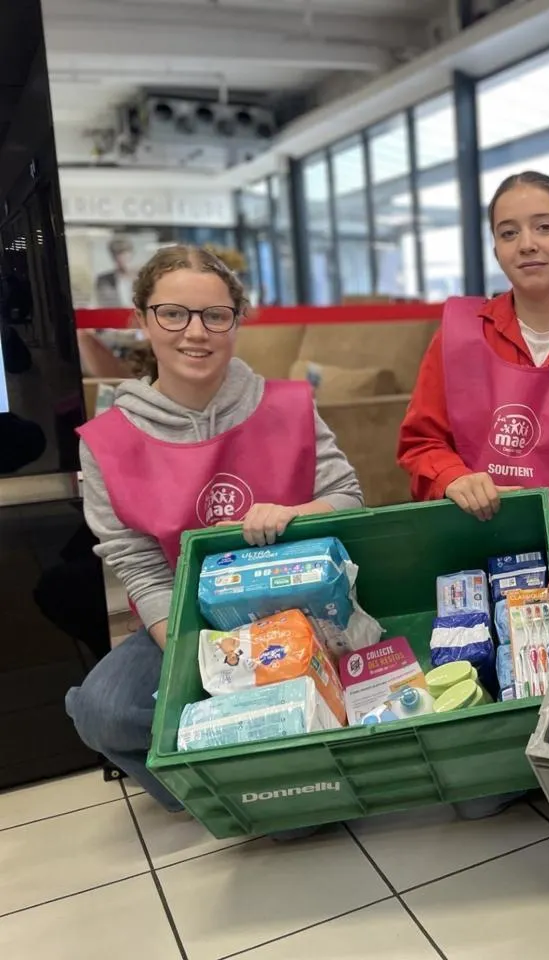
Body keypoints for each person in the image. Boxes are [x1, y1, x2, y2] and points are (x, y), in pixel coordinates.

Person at [68, 246, 364, 817]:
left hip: (304, 612)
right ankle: (223, 790)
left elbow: (348, 497)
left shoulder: (289, 406)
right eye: (173, 314)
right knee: (105, 713)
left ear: (237, 320)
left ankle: (273, 774)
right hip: (186, 624)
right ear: (143, 319)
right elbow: (140, 569)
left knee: (298, 824)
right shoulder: (107, 440)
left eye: (215, 315)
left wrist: (295, 513)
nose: (195, 332)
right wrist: (206, 662)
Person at [398, 171, 549, 607]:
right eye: (508, 233)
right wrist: (453, 477)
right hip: (468, 562)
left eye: (544, 227)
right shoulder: (458, 334)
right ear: (496, 251)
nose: (526, 244)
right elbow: (422, 441)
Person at [94, 234, 136, 308]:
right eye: (117, 254)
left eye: (124, 254)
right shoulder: (104, 281)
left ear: (131, 255)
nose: (121, 258)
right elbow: (103, 305)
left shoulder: (142, 279)